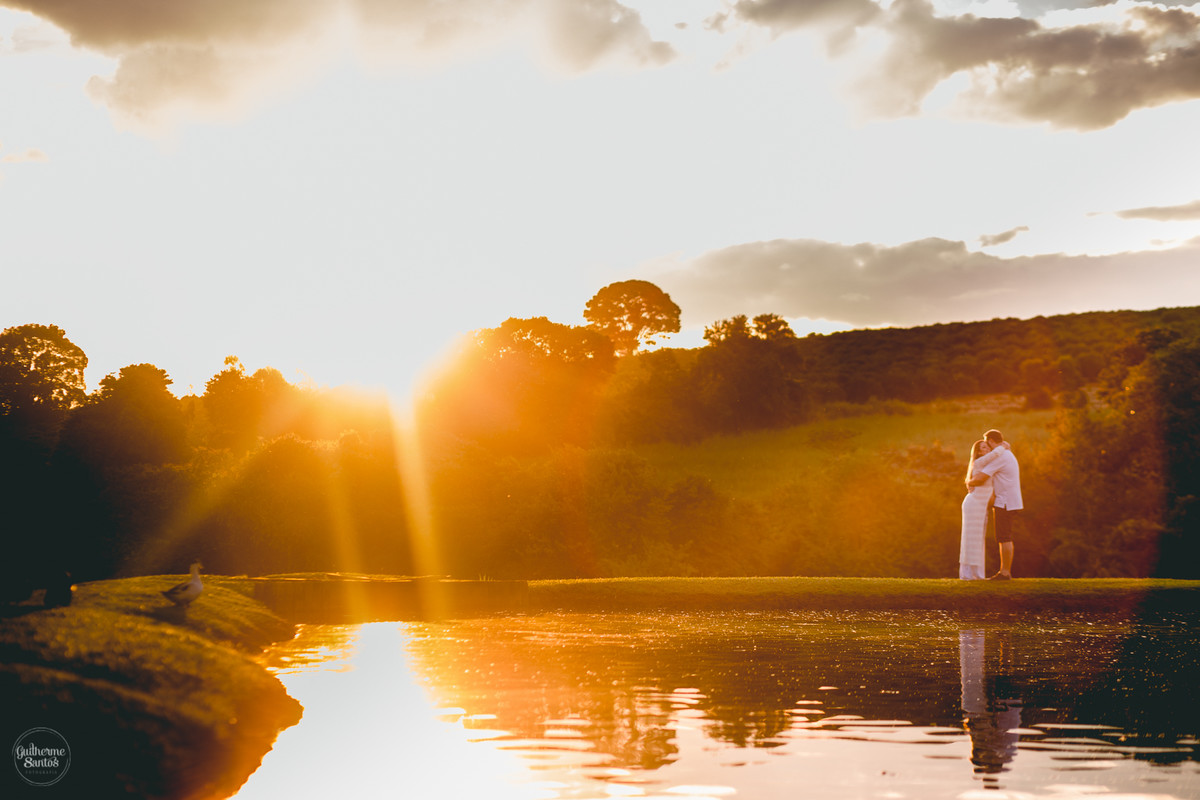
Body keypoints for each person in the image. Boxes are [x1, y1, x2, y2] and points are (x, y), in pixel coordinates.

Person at [966, 429, 1023, 580]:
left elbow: (980, 479)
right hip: (1007, 500)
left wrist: (968, 482)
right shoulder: (1004, 454)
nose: (987, 447)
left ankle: (1005, 573)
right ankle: (1004, 571)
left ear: (991, 441)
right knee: (1004, 536)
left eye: (987, 443)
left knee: (1004, 536)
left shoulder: (1001, 457)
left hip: (1005, 502)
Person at [959, 438, 1002, 579]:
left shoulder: (989, 465)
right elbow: (997, 453)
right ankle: (970, 575)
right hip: (973, 504)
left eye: (988, 447)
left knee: (978, 539)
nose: (987, 450)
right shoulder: (979, 462)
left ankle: (976, 574)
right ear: (977, 452)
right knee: (971, 540)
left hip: (980, 506)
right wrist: (1003, 445)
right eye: (984, 447)